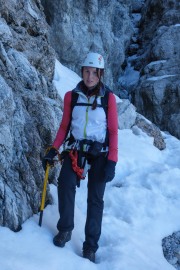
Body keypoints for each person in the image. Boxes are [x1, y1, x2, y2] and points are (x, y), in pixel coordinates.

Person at [43, 52, 118, 263]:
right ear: (82, 72)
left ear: (101, 74)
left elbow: (113, 131)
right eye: (87, 71)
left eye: (95, 72)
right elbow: (64, 126)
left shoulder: (108, 98)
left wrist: (112, 160)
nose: (90, 76)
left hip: (100, 153)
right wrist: (54, 149)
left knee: (95, 199)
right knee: (65, 183)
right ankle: (65, 229)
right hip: (76, 149)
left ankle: (90, 246)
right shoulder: (71, 96)